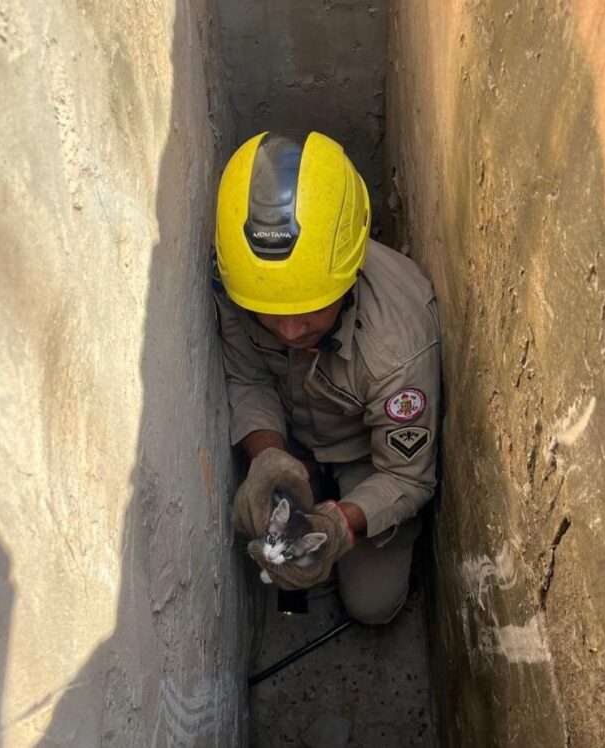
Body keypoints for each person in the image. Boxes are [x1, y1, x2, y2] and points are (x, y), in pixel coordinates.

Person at [212, 131, 440, 625]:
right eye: (269, 313)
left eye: (310, 308)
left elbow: (406, 475)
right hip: (293, 427)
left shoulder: (397, 346)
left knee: (372, 606)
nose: (290, 330)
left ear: (349, 269)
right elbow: (249, 379)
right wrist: (269, 456)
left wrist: (339, 525)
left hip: (367, 456)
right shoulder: (241, 284)